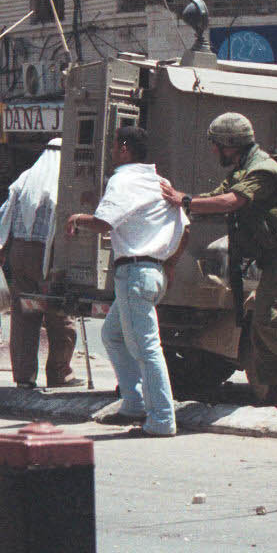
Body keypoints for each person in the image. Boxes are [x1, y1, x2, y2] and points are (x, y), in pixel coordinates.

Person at [160, 112, 277, 410]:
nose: (213, 150)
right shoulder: (243, 169)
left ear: (232, 143)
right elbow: (219, 196)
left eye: (216, 144)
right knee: (260, 326)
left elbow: (232, 202)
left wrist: (185, 201)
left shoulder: (263, 170)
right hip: (276, 257)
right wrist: (180, 203)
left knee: (272, 322)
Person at [65, 125, 188, 437]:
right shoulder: (159, 182)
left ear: (123, 147)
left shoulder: (123, 180)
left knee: (147, 348)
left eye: (113, 146)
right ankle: (134, 404)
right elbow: (185, 229)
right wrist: (170, 265)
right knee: (113, 334)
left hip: (134, 272)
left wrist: (78, 219)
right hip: (153, 272)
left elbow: (104, 222)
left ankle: (161, 418)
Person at [0, 138, 78, 389]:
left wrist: (2, 248)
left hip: (19, 253)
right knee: (59, 314)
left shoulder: (25, 179)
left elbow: (2, 217)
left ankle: (24, 376)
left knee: (24, 315)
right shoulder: (63, 183)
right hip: (48, 256)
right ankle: (60, 373)